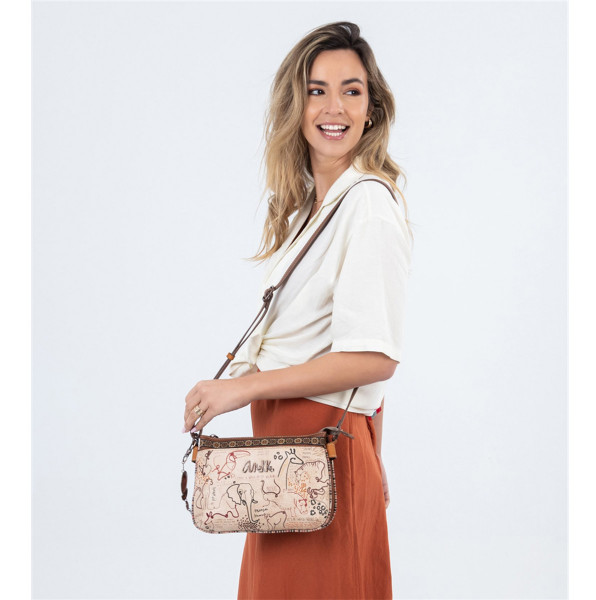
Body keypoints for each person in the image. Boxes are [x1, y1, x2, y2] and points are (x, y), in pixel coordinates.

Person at [182, 21, 413, 600]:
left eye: (351, 90)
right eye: (317, 90)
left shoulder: (368, 206)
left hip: (320, 450)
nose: (334, 107)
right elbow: (351, 347)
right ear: (297, 105)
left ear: (371, 109)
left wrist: (241, 389)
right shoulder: (311, 212)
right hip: (292, 461)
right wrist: (375, 452)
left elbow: (375, 356)